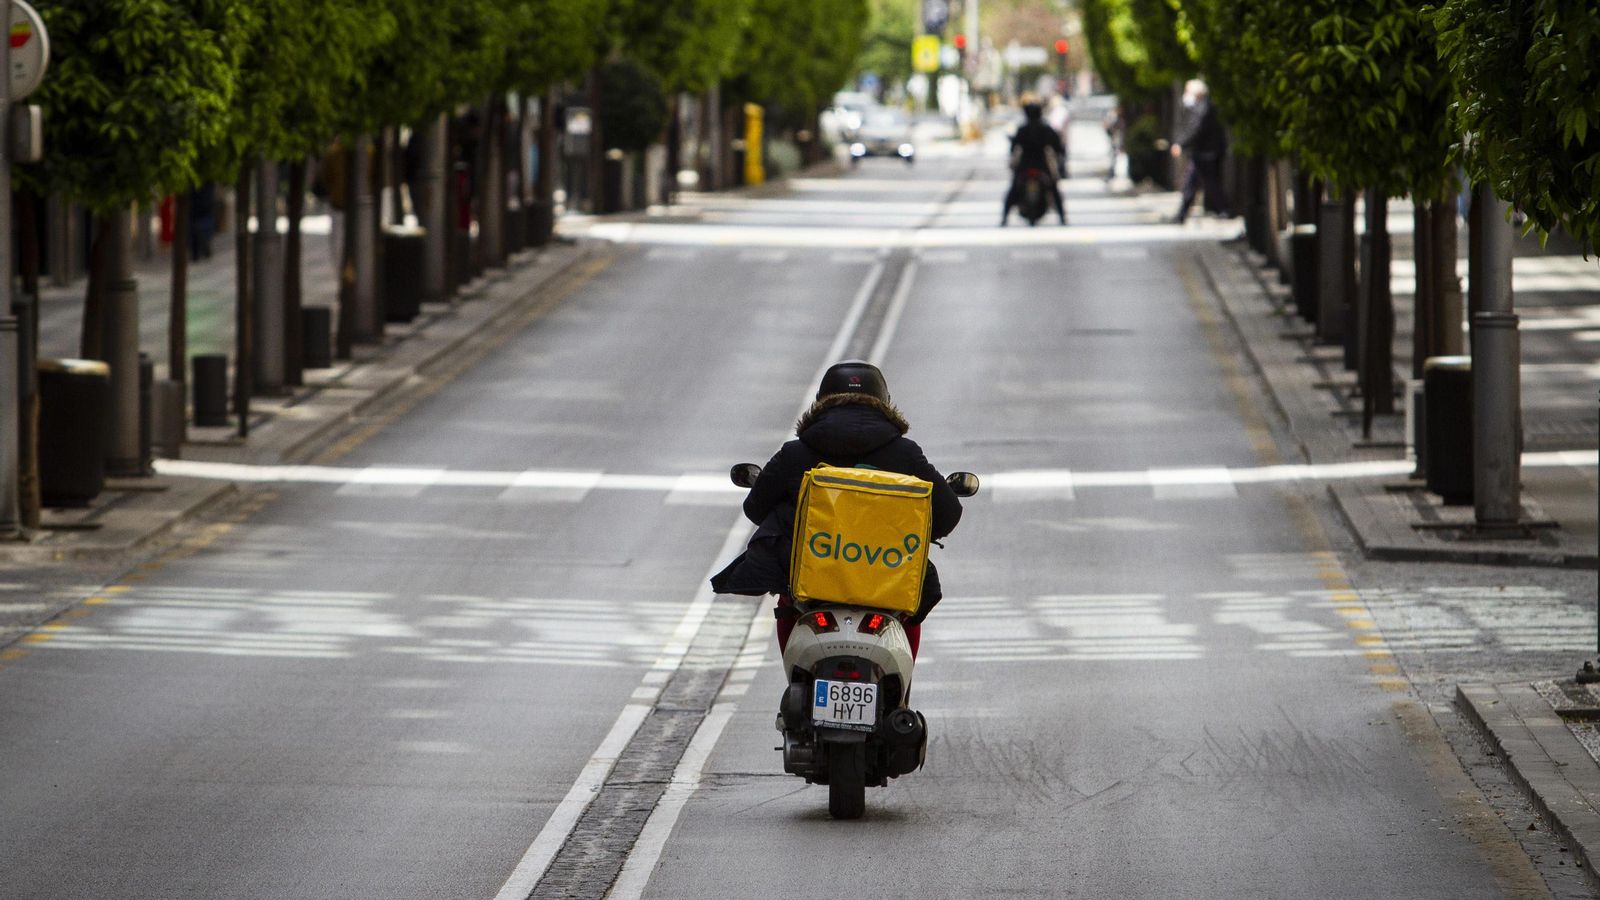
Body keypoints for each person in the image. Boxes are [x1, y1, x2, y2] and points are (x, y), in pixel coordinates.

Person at [710, 361, 964, 658]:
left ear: (821, 402)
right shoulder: (905, 454)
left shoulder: (796, 453)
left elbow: (756, 509)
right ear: (884, 403)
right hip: (884, 580)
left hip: (811, 588)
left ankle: (798, 678)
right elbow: (948, 514)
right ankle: (901, 685)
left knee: (788, 603)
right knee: (908, 612)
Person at [1169, 79, 1231, 223]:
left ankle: (1223, 210)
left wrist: (1180, 144)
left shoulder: (1203, 108)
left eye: (1187, 91)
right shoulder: (1201, 107)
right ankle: (1183, 214)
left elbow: (1195, 129)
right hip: (1203, 153)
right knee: (1195, 183)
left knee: (1207, 183)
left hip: (1206, 154)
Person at [1002, 101, 1067, 226]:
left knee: (1013, 190)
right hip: (1041, 164)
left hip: (1026, 164)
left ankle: (1004, 217)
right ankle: (1062, 217)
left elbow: (1013, 147)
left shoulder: (1023, 129)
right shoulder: (1045, 129)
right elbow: (1058, 147)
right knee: (1053, 190)